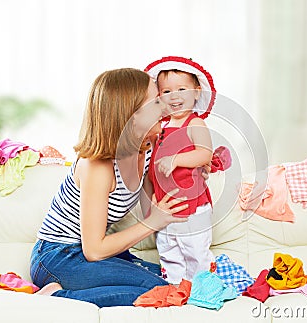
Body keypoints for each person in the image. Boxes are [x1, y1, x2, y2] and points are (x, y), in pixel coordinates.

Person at [30, 68, 192, 308]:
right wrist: (153, 222)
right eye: (156, 101)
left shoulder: (146, 146)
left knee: (179, 279)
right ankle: (54, 297)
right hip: (58, 257)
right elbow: (94, 250)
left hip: (100, 255)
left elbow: (160, 191)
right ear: (131, 115)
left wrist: (194, 170)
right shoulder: (97, 167)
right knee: (162, 292)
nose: (165, 106)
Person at [144, 56, 217, 284]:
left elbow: (205, 154)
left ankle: (202, 286)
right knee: (168, 249)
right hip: (166, 205)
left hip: (193, 206)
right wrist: (153, 196)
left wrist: (175, 159)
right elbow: (153, 167)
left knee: (195, 250)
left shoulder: (195, 123)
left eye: (181, 89)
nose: (174, 96)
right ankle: (175, 287)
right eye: (166, 91)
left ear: (196, 92)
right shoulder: (160, 128)